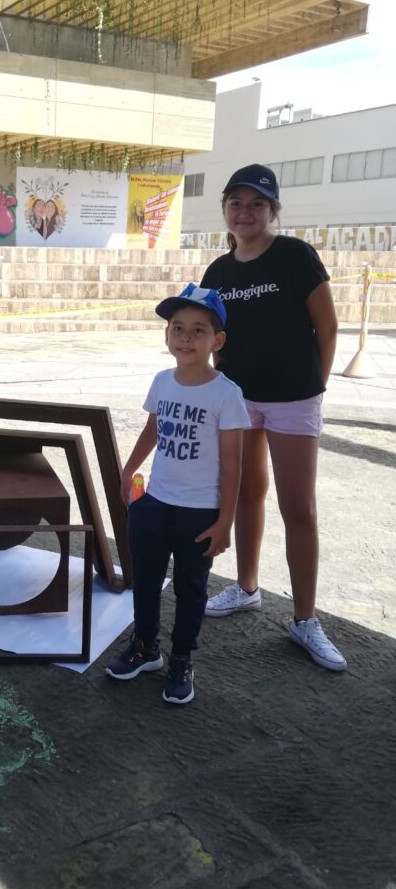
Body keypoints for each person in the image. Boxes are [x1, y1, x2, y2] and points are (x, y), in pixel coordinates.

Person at [201, 164, 346, 671]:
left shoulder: (295, 256)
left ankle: (305, 619)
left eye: (257, 204)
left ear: (273, 211)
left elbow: (327, 328)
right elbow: (206, 333)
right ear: (224, 210)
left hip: (292, 400)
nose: (246, 212)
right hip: (239, 400)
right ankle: (245, 588)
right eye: (236, 203)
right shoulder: (218, 271)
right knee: (245, 493)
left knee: (298, 508)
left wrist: (315, 387)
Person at [106, 284, 251, 704]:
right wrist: (130, 468)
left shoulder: (226, 394)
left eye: (198, 331)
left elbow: (234, 464)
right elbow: (153, 429)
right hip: (155, 503)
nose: (186, 338)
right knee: (146, 582)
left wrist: (225, 522)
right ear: (166, 335)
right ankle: (144, 647)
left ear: (217, 340)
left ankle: (182, 658)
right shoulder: (161, 382)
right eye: (177, 328)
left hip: (199, 512)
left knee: (191, 589)